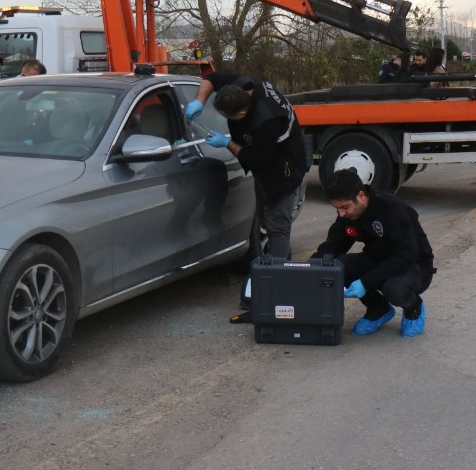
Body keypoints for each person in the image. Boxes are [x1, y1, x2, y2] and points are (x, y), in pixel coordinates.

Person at [186, 72, 307, 323]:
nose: (219, 118)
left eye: (224, 116)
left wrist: (227, 143)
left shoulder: (268, 120)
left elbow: (256, 159)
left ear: (241, 114)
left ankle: (276, 289)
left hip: (282, 171)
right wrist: (199, 99)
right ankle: (277, 264)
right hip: (267, 164)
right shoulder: (245, 86)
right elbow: (213, 77)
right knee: (267, 220)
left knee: (277, 225)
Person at [312, 168, 435, 338]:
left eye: (345, 207)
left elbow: (405, 255)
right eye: (337, 209)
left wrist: (366, 282)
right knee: (339, 266)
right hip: (380, 259)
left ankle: (413, 307)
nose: (341, 213)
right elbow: (332, 247)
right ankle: (379, 309)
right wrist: (306, 268)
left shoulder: (391, 209)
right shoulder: (348, 216)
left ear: (361, 196)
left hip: (414, 265)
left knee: (394, 289)